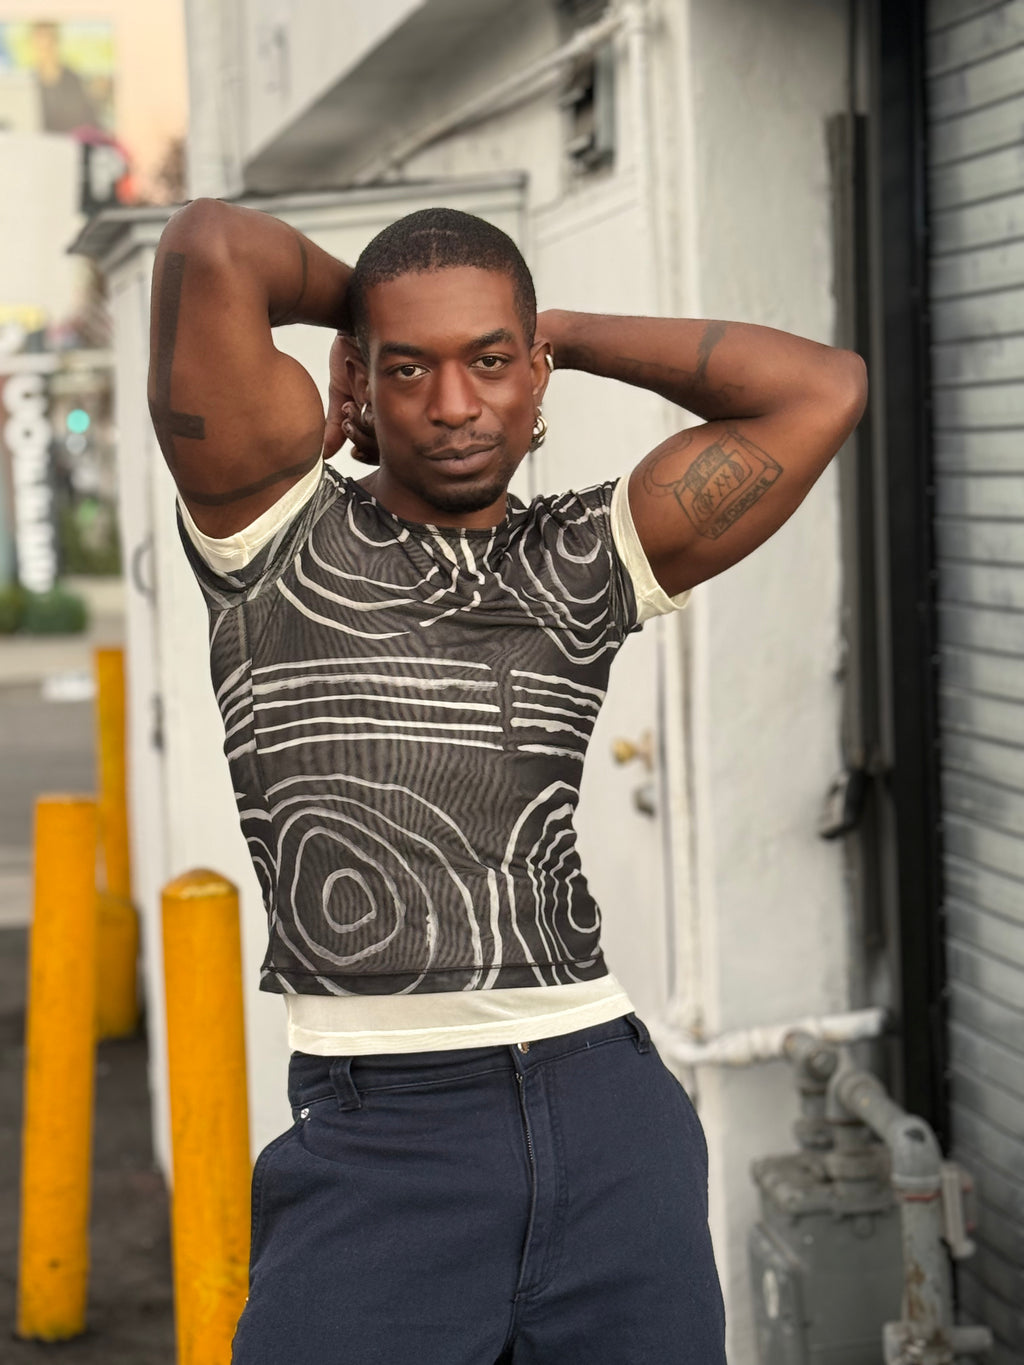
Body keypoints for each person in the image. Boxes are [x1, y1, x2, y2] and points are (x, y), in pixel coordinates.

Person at [148, 198, 866, 1364]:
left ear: (533, 380)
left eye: (489, 363)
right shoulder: (269, 531)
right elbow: (213, 247)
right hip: (377, 1140)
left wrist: (559, 332)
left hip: (606, 1116)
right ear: (359, 380)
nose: (452, 403)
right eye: (408, 368)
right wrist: (366, 311)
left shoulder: (583, 555)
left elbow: (822, 388)